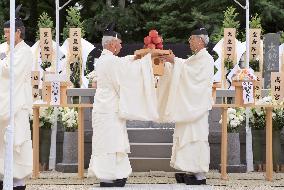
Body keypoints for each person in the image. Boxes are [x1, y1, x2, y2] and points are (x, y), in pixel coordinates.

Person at [87, 23, 158, 187]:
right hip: (108, 108)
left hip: (109, 107)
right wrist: (145, 60)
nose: (121, 46)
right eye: (119, 43)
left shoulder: (107, 59)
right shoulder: (109, 61)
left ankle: (118, 174)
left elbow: (122, 64)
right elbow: (124, 76)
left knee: (115, 142)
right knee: (109, 143)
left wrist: (136, 57)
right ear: (112, 44)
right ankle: (107, 176)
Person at [157, 27, 214, 185]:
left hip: (197, 106)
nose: (189, 42)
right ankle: (190, 170)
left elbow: (193, 76)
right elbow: (183, 69)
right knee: (187, 137)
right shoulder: (195, 58)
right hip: (188, 106)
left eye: (191, 39)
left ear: (200, 40)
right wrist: (169, 63)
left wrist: (175, 61)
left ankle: (199, 174)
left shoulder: (206, 59)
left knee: (196, 138)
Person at [0, 15, 33, 190]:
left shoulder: (25, 51)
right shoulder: (5, 49)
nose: (4, 35)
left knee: (16, 142)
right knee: (2, 143)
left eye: (8, 32)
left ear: (18, 33)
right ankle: (2, 175)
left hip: (17, 104)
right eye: (4, 32)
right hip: (3, 104)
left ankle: (17, 182)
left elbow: (12, 73)